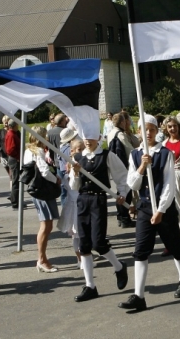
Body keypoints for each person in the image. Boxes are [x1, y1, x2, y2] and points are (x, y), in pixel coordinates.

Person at [119, 114, 180, 312]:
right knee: (140, 251)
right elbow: (132, 183)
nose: (148, 133)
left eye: (151, 129)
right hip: (144, 207)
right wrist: (142, 166)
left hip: (163, 207)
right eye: (144, 130)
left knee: (174, 245)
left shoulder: (165, 154)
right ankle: (139, 295)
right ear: (139, 132)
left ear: (157, 131)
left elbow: (169, 184)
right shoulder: (135, 154)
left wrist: (161, 210)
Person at [69, 129, 129, 303]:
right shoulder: (78, 158)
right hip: (82, 200)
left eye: (91, 137)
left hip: (98, 201)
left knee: (98, 242)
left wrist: (122, 193)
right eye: (85, 137)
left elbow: (121, 176)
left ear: (98, 138)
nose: (88, 141)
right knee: (84, 244)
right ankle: (90, 286)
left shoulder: (106, 155)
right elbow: (73, 186)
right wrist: (76, 172)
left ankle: (119, 267)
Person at [23, 126, 62, 273]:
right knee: (46, 226)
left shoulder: (28, 151)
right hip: (43, 191)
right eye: (45, 136)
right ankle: (42, 259)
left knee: (46, 225)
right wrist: (56, 179)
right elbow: (44, 171)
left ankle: (42, 258)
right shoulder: (37, 151)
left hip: (37, 191)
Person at [57, 138, 85, 267]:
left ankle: (83, 257)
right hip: (75, 204)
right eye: (79, 149)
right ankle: (80, 258)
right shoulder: (73, 166)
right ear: (72, 151)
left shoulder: (81, 163)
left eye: (83, 149)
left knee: (81, 234)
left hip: (80, 201)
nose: (82, 152)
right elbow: (74, 186)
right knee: (77, 235)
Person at [106, 114, 137, 228]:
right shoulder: (121, 135)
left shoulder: (110, 134)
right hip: (123, 166)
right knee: (126, 191)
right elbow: (130, 150)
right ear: (122, 122)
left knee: (119, 190)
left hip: (113, 165)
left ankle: (120, 216)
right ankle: (125, 218)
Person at [5, 120, 21, 209]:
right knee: (16, 180)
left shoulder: (11, 133)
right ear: (13, 126)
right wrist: (18, 157)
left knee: (16, 180)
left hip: (14, 158)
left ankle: (16, 200)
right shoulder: (11, 134)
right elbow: (10, 150)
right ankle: (15, 202)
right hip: (14, 159)